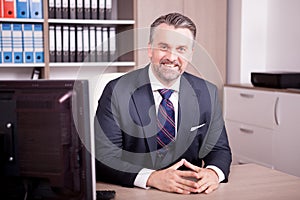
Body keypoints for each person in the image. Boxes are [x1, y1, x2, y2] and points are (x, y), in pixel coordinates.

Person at [95, 12, 232, 195]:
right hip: (138, 192)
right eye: (164, 47)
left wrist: (213, 173)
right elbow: (104, 156)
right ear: (150, 50)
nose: (172, 57)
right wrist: (151, 177)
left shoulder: (207, 93)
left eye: (181, 49)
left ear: (191, 54)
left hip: (187, 193)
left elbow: (219, 149)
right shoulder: (116, 91)